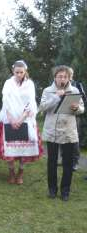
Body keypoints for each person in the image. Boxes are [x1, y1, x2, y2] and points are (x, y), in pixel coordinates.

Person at [39, 65, 84, 201]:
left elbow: (82, 109)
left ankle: (65, 191)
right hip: (52, 130)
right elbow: (42, 108)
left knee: (68, 163)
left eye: (65, 76)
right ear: (55, 77)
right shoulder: (48, 91)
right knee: (51, 162)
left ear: (69, 78)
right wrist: (56, 97)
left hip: (68, 131)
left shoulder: (74, 90)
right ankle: (52, 190)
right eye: (60, 76)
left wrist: (77, 108)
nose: (62, 79)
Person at [0, 60, 43, 184]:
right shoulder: (8, 83)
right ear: (13, 71)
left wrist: (21, 119)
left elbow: (31, 103)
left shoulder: (30, 84)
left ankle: (20, 173)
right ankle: (11, 172)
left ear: (25, 71)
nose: (19, 74)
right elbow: (5, 101)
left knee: (24, 148)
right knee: (9, 146)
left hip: (25, 118)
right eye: (16, 72)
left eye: (21, 72)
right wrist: (11, 119)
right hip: (9, 117)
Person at [69, 67, 86, 171]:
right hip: (63, 116)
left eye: (69, 74)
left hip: (75, 115)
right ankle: (64, 159)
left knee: (75, 140)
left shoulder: (78, 85)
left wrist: (76, 101)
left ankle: (75, 162)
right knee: (63, 139)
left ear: (72, 74)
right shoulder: (59, 85)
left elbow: (84, 98)